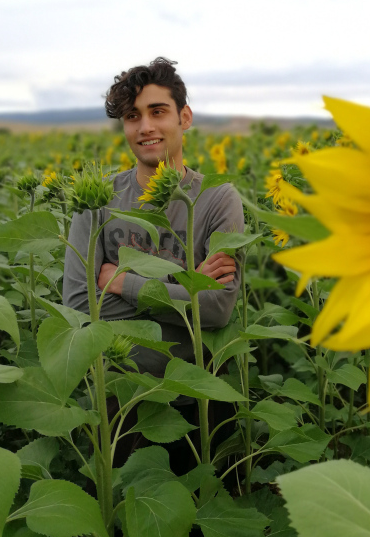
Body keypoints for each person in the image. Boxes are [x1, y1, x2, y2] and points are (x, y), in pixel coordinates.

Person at [62, 56, 245, 376]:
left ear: (184, 117)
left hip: (199, 387)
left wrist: (121, 282)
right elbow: (79, 305)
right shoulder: (97, 198)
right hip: (116, 387)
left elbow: (216, 309)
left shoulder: (217, 198)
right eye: (133, 116)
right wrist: (186, 285)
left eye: (157, 111)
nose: (145, 127)